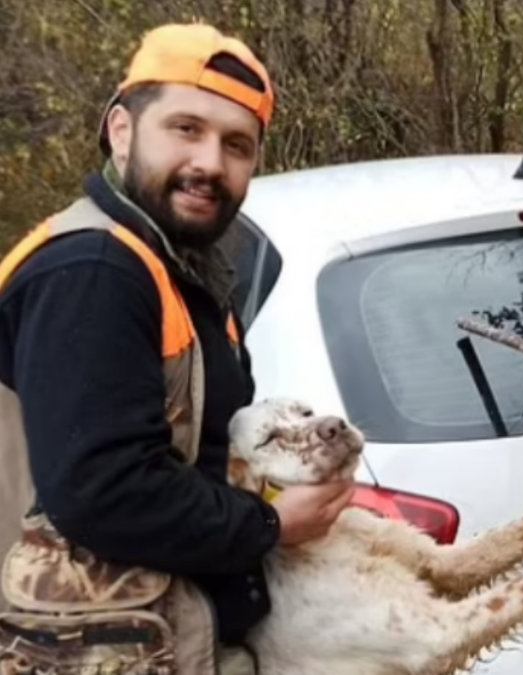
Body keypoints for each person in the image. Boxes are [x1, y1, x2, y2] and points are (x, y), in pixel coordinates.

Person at [0, 22, 355, 675]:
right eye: (185, 128)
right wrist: (270, 526)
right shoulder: (93, 269)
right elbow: (103, 488)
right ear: (122, 130)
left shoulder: (181, 271)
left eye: (237, 144)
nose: (211, 163)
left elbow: (197, 456)